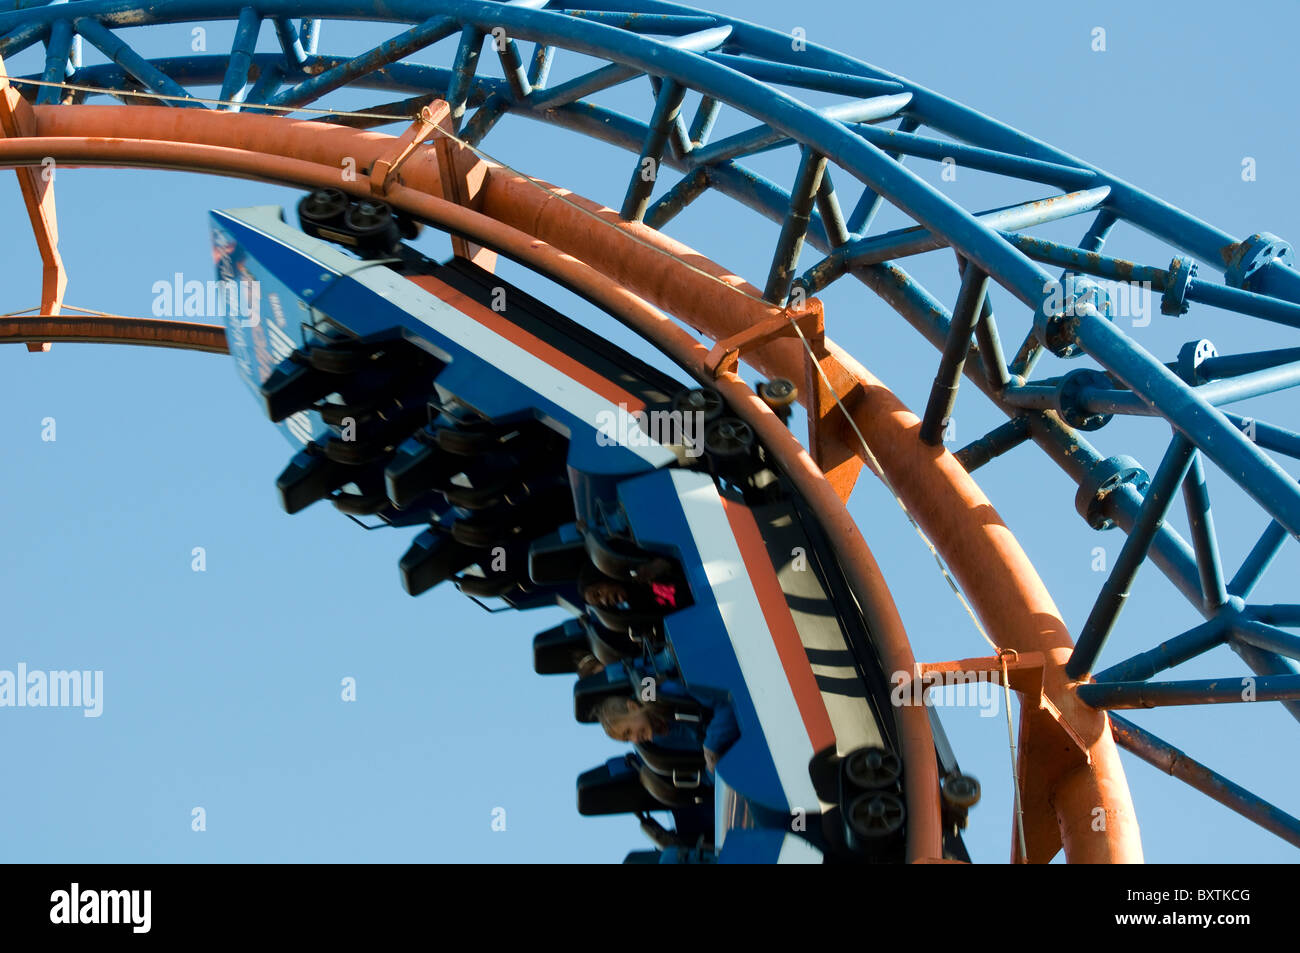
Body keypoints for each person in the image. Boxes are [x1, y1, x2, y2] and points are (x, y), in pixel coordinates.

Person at [594, 683, 739, 774]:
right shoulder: (660, 745)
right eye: (628, 739)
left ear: (632, 706)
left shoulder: (669, 692)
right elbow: (704, 774)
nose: (635, 739)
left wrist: (712, 745)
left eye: (628, 732)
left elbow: (729, 702)